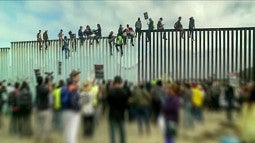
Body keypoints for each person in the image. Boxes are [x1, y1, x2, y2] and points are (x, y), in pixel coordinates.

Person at [107, 76, 128, 143]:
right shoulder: (124, 93)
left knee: (112, 132)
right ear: (121, 83)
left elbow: (108, 102)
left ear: (114, 83)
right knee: (122, 131)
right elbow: (126, 105)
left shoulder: (110, 92)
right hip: (121, 114)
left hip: (112, 113)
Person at [62, 70, 81, 143]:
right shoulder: (73, 86)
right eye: (78, 76)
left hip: (65, 110)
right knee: (72, 132)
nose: (79, 77)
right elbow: (73, 100)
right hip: (73, 112)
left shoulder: (66, 85)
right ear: (73, 77)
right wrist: (77, 109)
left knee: (67, 131)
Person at [34, 76, 52, 143]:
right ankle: (47, 138)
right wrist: (49, 82)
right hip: (45, 109)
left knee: (38, 124)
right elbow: (50, 90)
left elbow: (42, 85)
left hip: (38, 109)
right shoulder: (44, 89)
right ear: (42, 81)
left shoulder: (37, 87)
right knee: (46, 125)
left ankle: (37, 137)